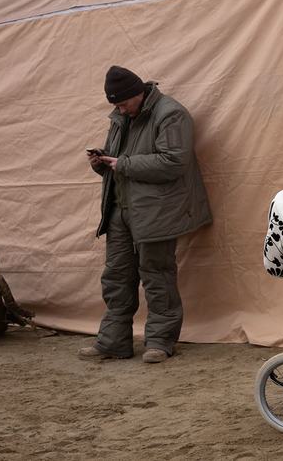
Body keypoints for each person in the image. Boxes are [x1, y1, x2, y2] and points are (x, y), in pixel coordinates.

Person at [79, 66, 212, 364]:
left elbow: (174, 162)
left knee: (157, 277)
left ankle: (160, 342)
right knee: (116, 277)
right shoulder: (121, 115)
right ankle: (113, 342)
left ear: (138, 93)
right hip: (120, 210)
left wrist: (122, 164)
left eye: (123, 103)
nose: (119, 110)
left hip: (157, 212)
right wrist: (102, 162)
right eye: (115, 105)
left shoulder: (171, 114)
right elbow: (120, 158)